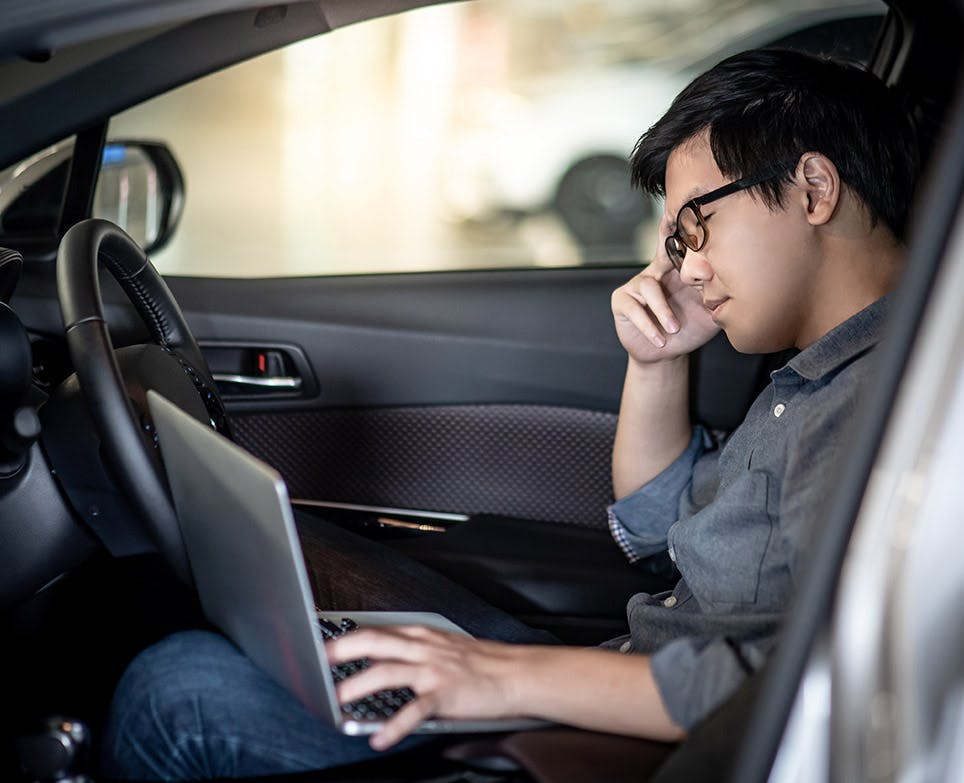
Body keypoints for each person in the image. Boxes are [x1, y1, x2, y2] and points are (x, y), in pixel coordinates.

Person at [101, 48, 919, 780]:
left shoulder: (892, 408)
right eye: (676, 243)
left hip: (664, 746)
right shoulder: (811, 375)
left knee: (178, 693)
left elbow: (806, 685)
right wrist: (657, 358)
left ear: (813, 188)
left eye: (696, 225)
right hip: (620, 680)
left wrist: (500, 677)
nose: (688, 265)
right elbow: (658, 523)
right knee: (306, 568)